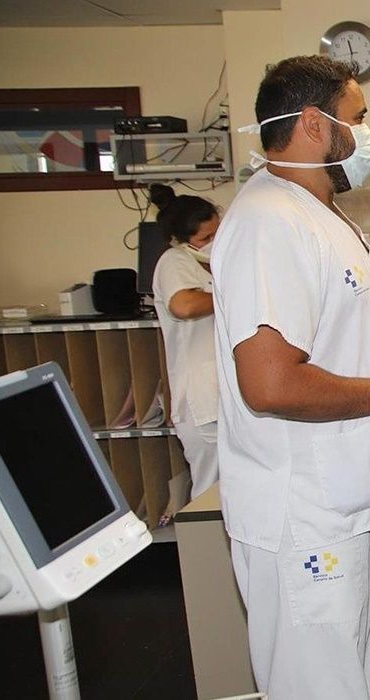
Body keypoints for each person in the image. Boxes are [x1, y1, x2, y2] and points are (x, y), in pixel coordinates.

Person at [211, 55, 370, 699]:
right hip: (305, 516)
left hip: (358, 498)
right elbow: (271, 383)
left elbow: (329, 349)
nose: (367, 136)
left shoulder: (327, 217)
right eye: (359, 120)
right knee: (322, 688)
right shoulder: (266, 221)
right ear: (314, 124)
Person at [148, 183, 221, 501]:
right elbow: (184, 305)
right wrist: (234, 296)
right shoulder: (173, 261)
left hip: (224, 396)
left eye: (217, 232)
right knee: (211, 495)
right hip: (201, 400)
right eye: (205, 238)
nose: (213, 242)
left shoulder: (213, 262)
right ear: (179, 240)